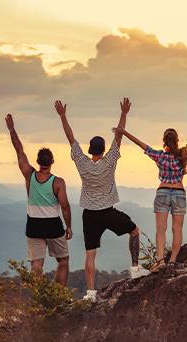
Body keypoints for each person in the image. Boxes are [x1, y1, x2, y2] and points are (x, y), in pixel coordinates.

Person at [55, 98, 145, 302]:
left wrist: (63, 116)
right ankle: (135, 268)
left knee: (90, 254)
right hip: (108, 212)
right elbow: (119, 137)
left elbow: (70, 138)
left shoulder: (82, 163)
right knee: (134, 231)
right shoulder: (110, 161)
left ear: (90, 150)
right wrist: (124, 113)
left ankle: (91, 293)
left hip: (90, 215)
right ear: (103, 150)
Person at [113, 104, 187, 272]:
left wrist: (124, 132)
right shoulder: (183, 154)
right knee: (177, 229)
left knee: (160, 230)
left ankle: (160, 260)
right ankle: (172, 261)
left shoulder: (159, 156)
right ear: (176, 140)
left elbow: (141, 144)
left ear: (164, 141)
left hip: (162, 192)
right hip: (178, 193)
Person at [5, 114, 72, 286]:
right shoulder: (57, 182)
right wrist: (69, 226)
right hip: (53, 225)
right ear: (52, 162)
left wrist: (12, 129)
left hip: (33, 225)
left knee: (36, 265)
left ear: (37, 162)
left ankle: (40, 301)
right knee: (63, 261)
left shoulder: (29, 174)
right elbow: (64, 206)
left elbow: (19, 150)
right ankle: (58, 297)